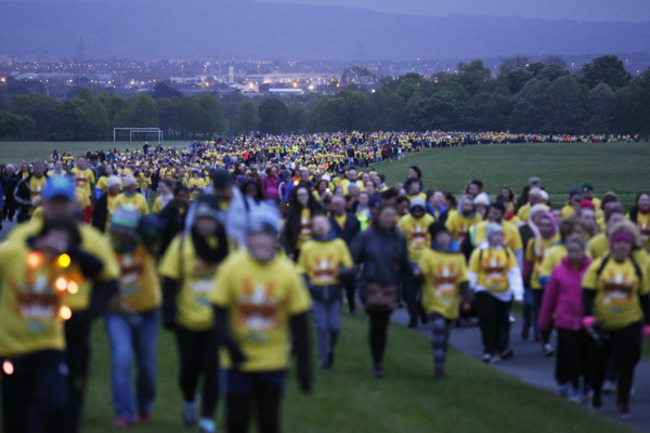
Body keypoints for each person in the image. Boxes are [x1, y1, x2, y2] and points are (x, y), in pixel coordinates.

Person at [211, 206, 312, 433]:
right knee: (236, 420)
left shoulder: (287, 273)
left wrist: (304, 367)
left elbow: (300, 322)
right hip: (237, 360)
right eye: (256, 236)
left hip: (273, 359)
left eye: (267, 236)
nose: (262, 243)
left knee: (269, 421)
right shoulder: (232, 267)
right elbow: (218, 310)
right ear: (248, 238)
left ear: (274, 239)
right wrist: (229, 344)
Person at [0, 215, 104, 433]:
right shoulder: (14, 255)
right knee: (15, 415)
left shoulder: (64, 264)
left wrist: (69, 252)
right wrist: (33, 246)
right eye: (52, 238)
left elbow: (97, 267)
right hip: (13, 348)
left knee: (54, 404)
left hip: (49, 346)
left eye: (62, 241)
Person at [159, 197, 229, 433]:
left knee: (213, 368)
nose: (206, 224)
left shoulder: (230, 244)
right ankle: (190, 400)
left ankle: (208, 416)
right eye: (202, 219)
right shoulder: (182, 244)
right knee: (188, 371)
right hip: (187, 319)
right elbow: (168, 280)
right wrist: (168, 311)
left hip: (218, 320)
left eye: (210, 219)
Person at [582, 227, 650, 419]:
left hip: (629, 323)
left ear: (630, 247)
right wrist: (587, 316)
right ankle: (595, 396)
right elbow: (588, 292)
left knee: (626, 365)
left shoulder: (637, 268)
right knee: (599, 364)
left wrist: (647, 323)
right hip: (602, 324)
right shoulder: (599, 265)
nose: (622, 246)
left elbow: (645, 297)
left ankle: (622, 403)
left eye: (625, 243)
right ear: (612, 246)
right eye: (618, 243)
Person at [105, 206, 161, 427]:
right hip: (117, 313)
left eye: (123, 229)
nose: (117, 233)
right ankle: (124, 412)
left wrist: (141, 223)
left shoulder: (146, 244)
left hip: (147, 310)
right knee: (122, 359)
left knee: (146, 364)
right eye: (115, 228)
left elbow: (160, 227)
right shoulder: (106, 247)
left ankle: (144, 406)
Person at [352, 201, 414, 378]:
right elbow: (354, 257)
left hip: (390, 286)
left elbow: (403, 261)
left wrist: (414, 272)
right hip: (371, 285)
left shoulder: (399, 237)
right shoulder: (367, 236)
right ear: (378, 216)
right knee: (376, 324)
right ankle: (377, 362)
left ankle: (378, 358)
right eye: (385, 216)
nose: (388, 219)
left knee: (383, 324)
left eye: (391, 216)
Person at [538, 235, 592, 402]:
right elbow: (550, 297)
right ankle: (574, 387)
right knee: (571, 354)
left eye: (576, 251)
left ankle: (586, 385)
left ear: (583, 251)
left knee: (587, 354)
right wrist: (544, 321)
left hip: (585, 320)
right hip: (565, 319)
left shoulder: (592, 269)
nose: (573, 254)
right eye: (570, 251)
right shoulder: (559, 270)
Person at [297, 214, 353, 370]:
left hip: (334, 292)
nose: (320, 226)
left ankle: (331, 350)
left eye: (323, 223)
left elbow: (348, 265)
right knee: (321, 327)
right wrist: (308, 285)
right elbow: (301, 270)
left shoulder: (338, 244)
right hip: (316, 293)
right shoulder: (308, 247)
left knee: (334, 327)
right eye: (317, 224)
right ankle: (324, 358)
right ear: (312, 228)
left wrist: (342, 273)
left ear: (329, 226)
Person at [418, 223, 471, 379]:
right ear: (435, 239)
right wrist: (416, 275)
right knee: (439, 330)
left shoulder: (458, 257)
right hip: (433, 301)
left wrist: (466, 300)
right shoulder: (428, 254)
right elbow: (421, 275)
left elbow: (463, 280)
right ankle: (438, 367)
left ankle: (441, 363)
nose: (444, 239)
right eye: (440, 236)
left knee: (444, 336)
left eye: (446, 236)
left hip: (451, 303)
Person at [468, 223, 523, 363]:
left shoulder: (507, 252)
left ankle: (499, 348)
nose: (498, 237)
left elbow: (513, 272)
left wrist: (518, 293)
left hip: (503, 292)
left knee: (501, 321)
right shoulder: (479, 252)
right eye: (495, 234)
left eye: (500, 234)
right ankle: (488, 349)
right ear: (489, 236)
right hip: (484, 290)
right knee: (487, 320)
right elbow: (472, 272)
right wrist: (469, 292)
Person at [523, 211, 557, 355]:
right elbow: (528, 263)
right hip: (538, 283)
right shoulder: (534, 242)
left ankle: (546, 336)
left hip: (555, 283)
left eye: (548, 225)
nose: (544, 228)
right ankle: (545, 340)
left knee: (554, 314)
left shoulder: (558, 242)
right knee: (543, 311)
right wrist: (522, 280)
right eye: (542, 225)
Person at [398, 197, 434, 328]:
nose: (418, 213)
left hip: (427, 260)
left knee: (425, 290)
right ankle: (413, 316)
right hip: (409, 260)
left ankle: (422, 310)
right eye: (415, 211)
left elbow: (434, 239)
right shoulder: (404, 221)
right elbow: (399, 241)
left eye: (420, 211)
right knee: (408, 292)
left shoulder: (430, 220)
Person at [329, 195, 361, 314]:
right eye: (333, 205)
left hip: (350, 256)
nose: (335, 207)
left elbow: (358, 239)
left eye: (337, 205)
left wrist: (357, 259)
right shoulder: (329, 221)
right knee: (336, 283)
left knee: (351, 284)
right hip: (335, 257)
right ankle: (337, 305)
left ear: (344, 205)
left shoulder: (353, 219)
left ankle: (352, 305)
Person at [282, 185, 322, 261]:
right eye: (299, 195)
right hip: (297, 250)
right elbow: (286, 233)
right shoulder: (292, 212)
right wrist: (289, 251)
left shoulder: (317, 210)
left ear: (309, 195)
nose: (302, 197)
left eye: (304, 194)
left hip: (314, 248)